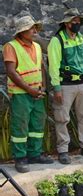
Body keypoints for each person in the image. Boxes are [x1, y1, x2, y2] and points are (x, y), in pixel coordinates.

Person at [48, 8, 83, 164]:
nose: (76, 24)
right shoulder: (57, 41)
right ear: (66, 24)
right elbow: (53, 66)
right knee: (62, 118)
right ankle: (63, 150)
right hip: (65, 85)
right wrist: (56, 88)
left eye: (78, 21)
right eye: (73, 21)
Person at [3, 15, 54, 173]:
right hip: (21, 94)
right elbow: (11, 72)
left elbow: (41, 68)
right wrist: (29, 90)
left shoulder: (37, 46)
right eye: (32, 28)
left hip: (37, 93)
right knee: (21, 126)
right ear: (22, 31)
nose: (35, 31)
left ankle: (35, 154)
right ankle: (20, 157)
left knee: (37, 124)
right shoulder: (11, 47)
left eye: (35, 28)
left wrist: (43, 87)